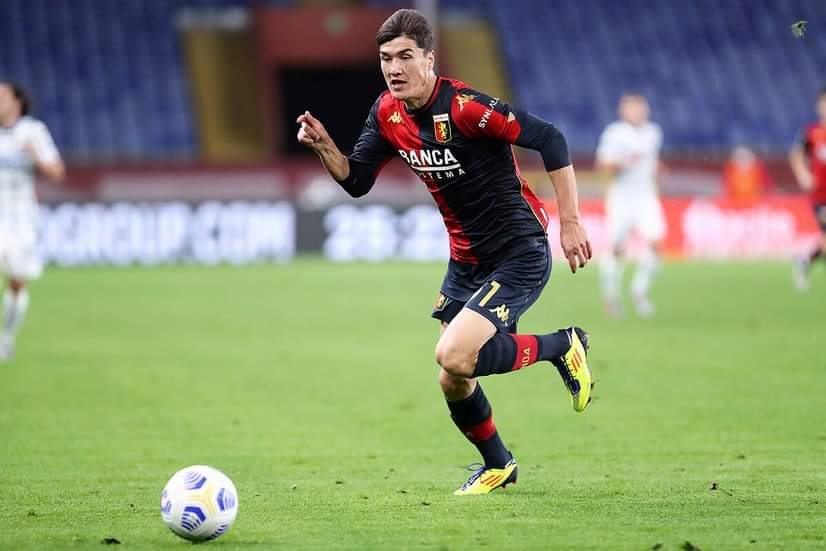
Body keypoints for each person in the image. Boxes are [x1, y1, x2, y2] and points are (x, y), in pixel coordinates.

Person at [296, 9, 594, 495]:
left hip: (518, 250)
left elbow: (550, 138)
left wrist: (572, 220)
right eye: (386, 58)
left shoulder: (465, 108)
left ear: (429, 59)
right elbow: (357, 181)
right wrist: (326, 147)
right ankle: (499, 465)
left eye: (405, 57)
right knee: (453, 377)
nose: (394, 68)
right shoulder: (387, 113)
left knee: (453, 355)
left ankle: (563, 345)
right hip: (465, 260)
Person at [0, 81, 65, 361]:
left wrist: (35, 155)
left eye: (2, 96)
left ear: (17, 102)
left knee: (17, 281)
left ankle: (6, 338)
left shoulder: (33, 131)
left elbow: (57, 172)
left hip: (21, 218)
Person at [595, 94, 665, 319]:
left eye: (640, 108)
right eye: (632, 108)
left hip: (645, 195)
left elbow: (653, 162)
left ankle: (639, 291)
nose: (637, 112)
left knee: (656, 243)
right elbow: (603, 165)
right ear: (623, 111)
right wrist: (623, 163)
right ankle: (611, 295)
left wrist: (658, 182)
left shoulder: (653, 132)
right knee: (617, 248)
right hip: (622, 196)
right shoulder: (614, 133)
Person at [789, 88, 826, 291]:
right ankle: (804, 261)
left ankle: (804, 260)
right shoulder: (812, 133)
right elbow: (796, 154)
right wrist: (803, 173)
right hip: (821, 196)